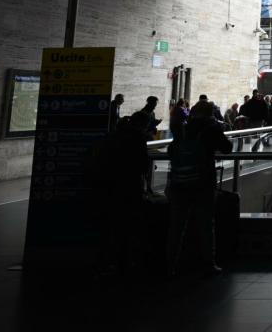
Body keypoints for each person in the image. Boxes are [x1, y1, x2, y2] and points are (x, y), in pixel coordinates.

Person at [166, 100, 233, 275]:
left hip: (179, 182)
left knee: (176, 226)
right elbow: (227, 148)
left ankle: (170, 265)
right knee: (205, 224)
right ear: (211, 113)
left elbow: (171, 151)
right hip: (202, 182)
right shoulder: (211, 128)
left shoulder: (183, 128)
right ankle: (208, 263)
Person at [95, 110, 151, 274]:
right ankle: (125, 260)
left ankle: (106, 260)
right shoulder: (138, 138)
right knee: (129, 224)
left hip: (110, 184)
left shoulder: (114, 135)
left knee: (111, 223)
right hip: (130, 185)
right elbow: (142, 164)